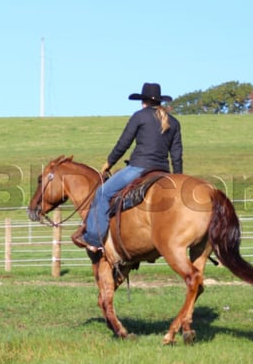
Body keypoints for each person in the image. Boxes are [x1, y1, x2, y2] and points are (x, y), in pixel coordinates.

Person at [72, 82, 183, 253]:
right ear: (159, 101)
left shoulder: (139, 116)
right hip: (163, 170)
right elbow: (176, 154)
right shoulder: (174, 122)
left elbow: (123, 143)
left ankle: (94, 239)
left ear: (143, 101)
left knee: (102, 193)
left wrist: (109, 163)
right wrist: (178, 178)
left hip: (139, 167)